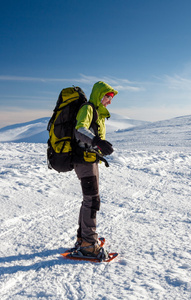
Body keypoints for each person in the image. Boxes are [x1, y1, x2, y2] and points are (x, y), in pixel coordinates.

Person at [72, 81, 117, 258]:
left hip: (89, 159)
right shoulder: (88, 108)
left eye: (111, 98)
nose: (109, 101)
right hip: (84, 160)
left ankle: (83, 238)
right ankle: (89, 245)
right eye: (108, 97)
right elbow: (79, 129)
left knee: (89, 200)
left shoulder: (97, 112)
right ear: (99, 95)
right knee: (92, 201)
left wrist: (98, 145)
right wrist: (97, 142)